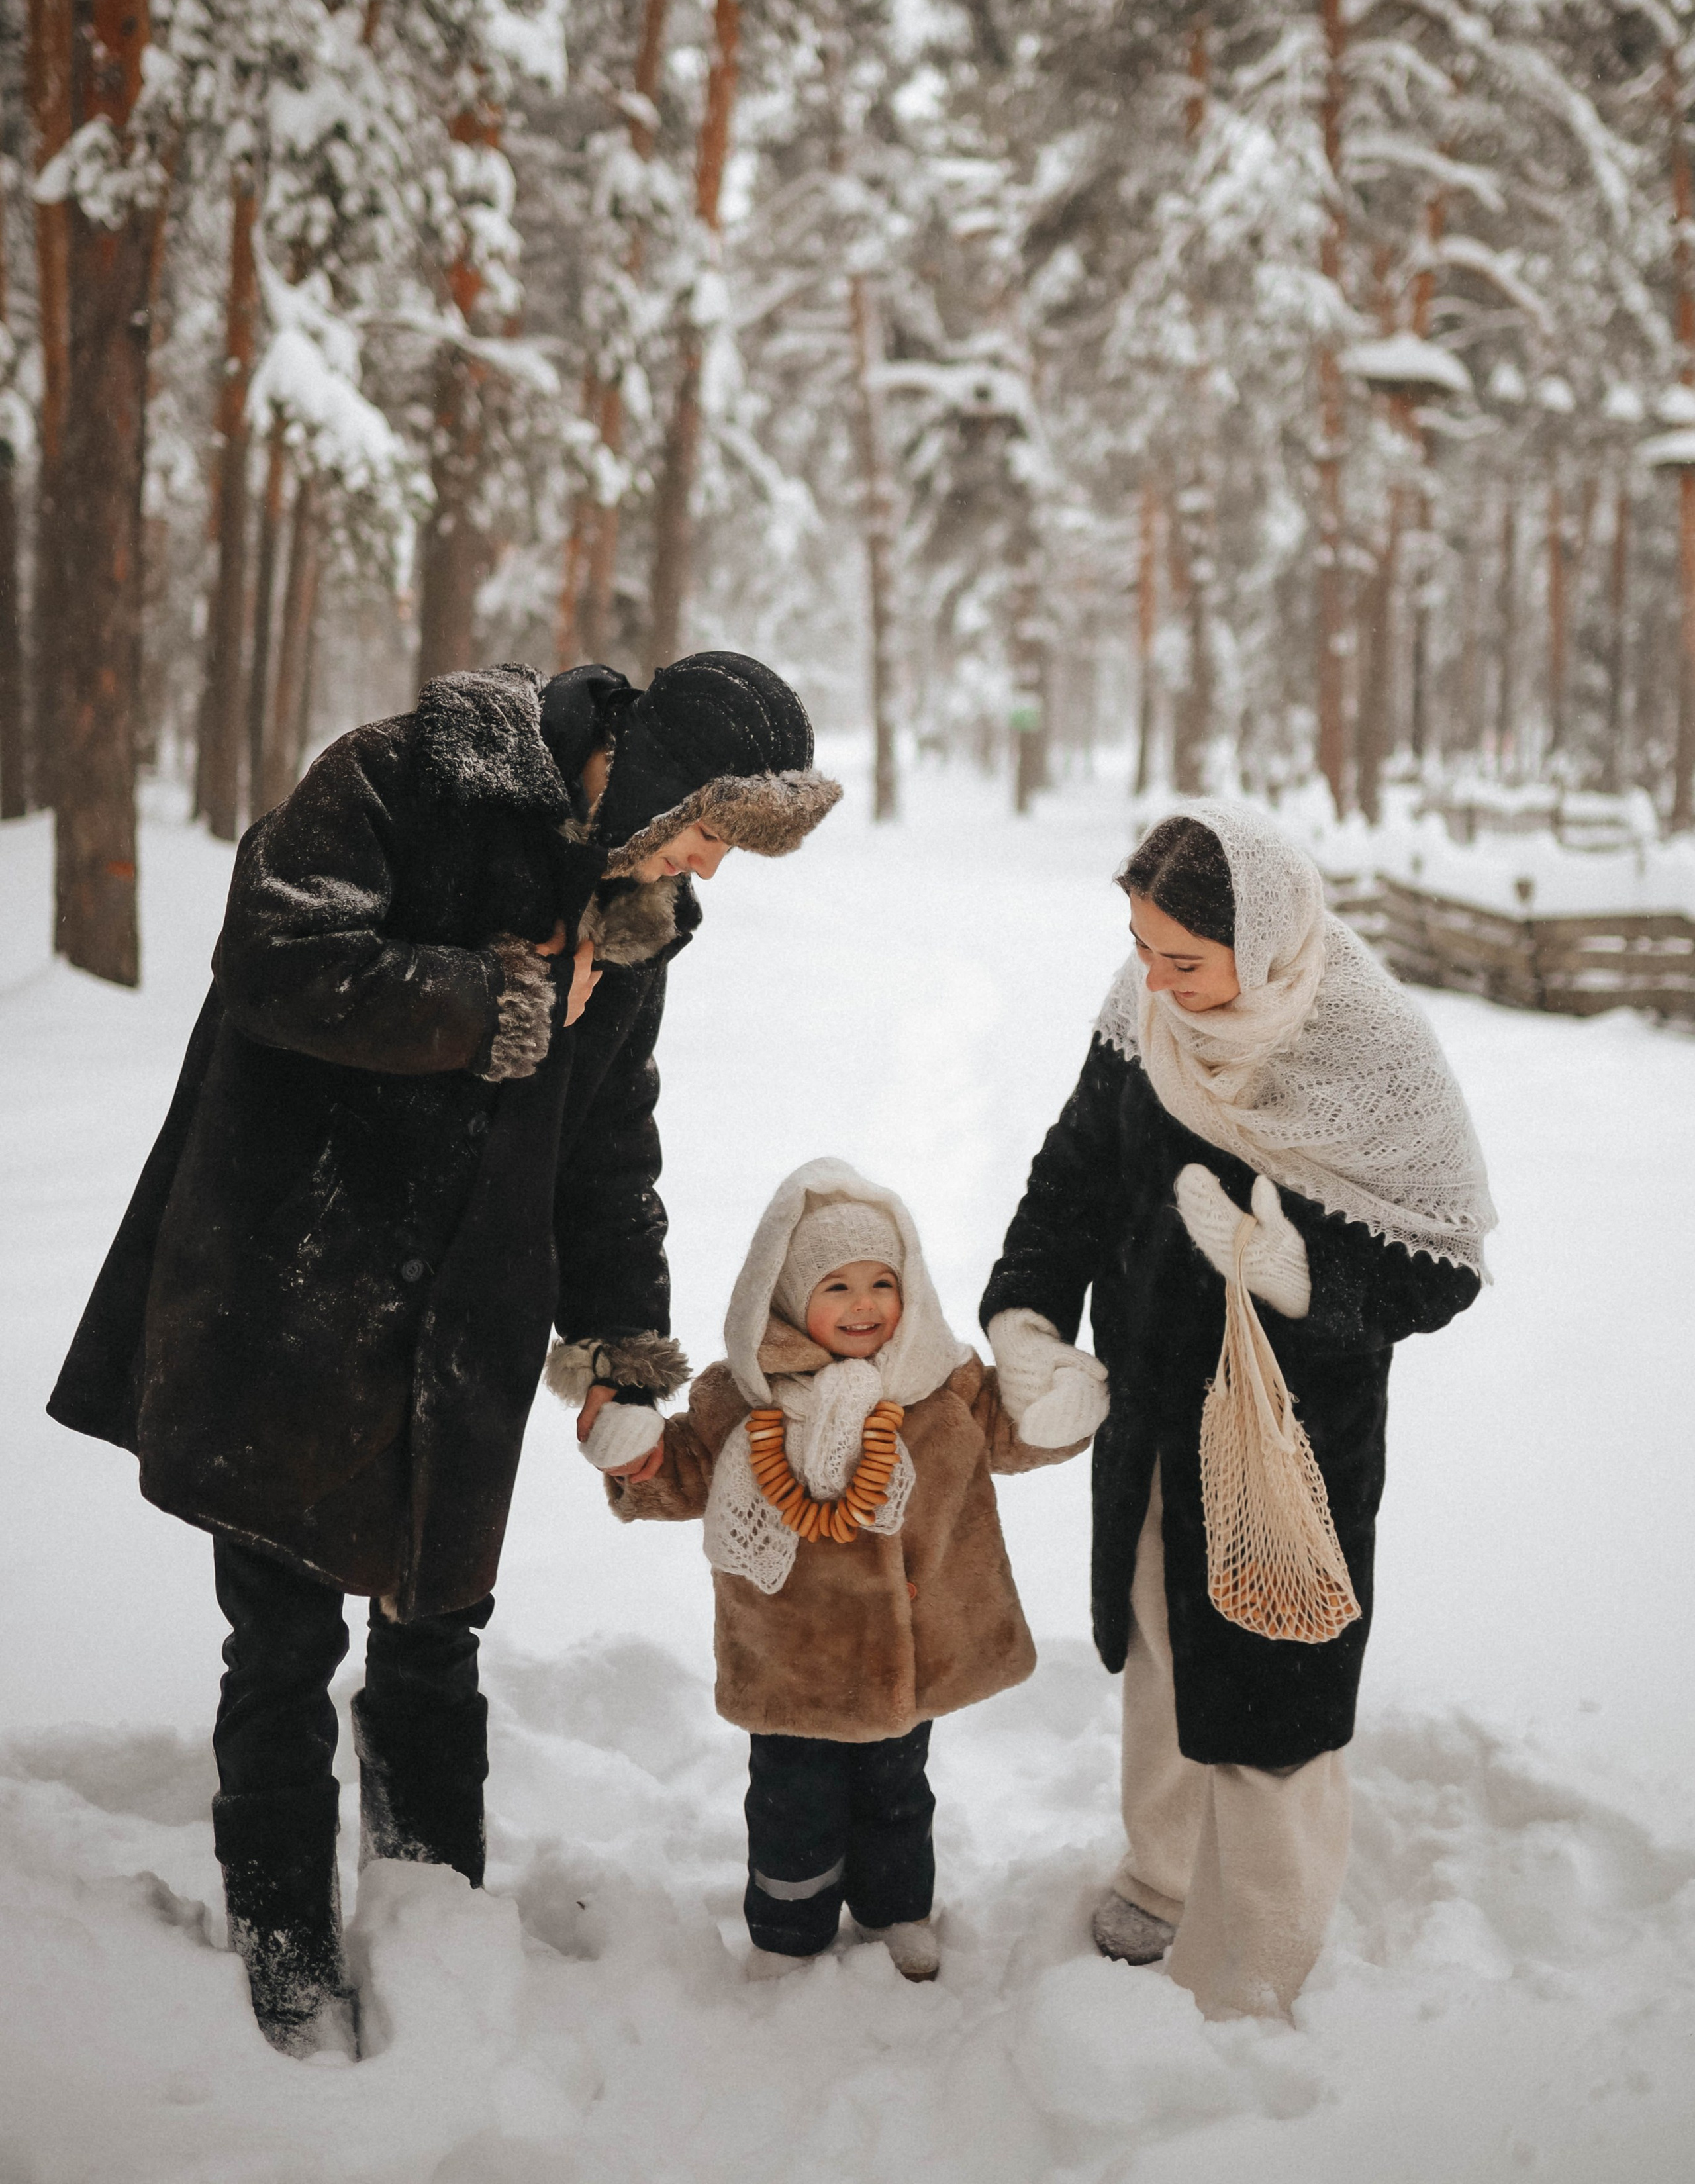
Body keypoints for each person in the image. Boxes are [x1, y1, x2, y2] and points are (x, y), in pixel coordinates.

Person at [46, 651, 841, 2056]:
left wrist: (620, 1344)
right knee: (282, 1638)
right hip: (297, 1281)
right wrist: (489, 1003)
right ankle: (284, 1937)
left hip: (468, 1315)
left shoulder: (635, 911)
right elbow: (276, 957)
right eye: (713, 828)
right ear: (657, 777)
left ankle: (432, 1914)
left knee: (434, 1624)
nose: (712, 864)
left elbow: (607, 1140)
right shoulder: (403, 777)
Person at [980, 803, 1494, 2021]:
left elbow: (1446, 1271)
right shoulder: (1146, 1006)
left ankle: (1259, 1962)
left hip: (1287, 1442)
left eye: (1185, 960)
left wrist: (1298, 1274)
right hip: (1151, 1406)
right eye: (1139, 946)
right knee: (1160, 1639)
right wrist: (1029, 1318)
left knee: (1273, 1691)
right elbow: (1075, 1171)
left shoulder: (1371, 1053)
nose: (1155, 982)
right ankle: (1163, 1876)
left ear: (1261, 947)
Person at [585, 1158, 1107, 1979]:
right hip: (793, 1663)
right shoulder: (741, 1398)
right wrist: (636, 1459)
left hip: (916, 1651)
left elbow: (1013, 1431)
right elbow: (680, 1471)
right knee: (791, 1803)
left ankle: (895, 1911)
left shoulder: (943, 1385)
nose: (864, 1305)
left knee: (898, 1793)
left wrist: (1059, 1415)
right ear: (789, 1297)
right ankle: (788, 1927)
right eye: (837, 1287)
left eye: (881, 1284)